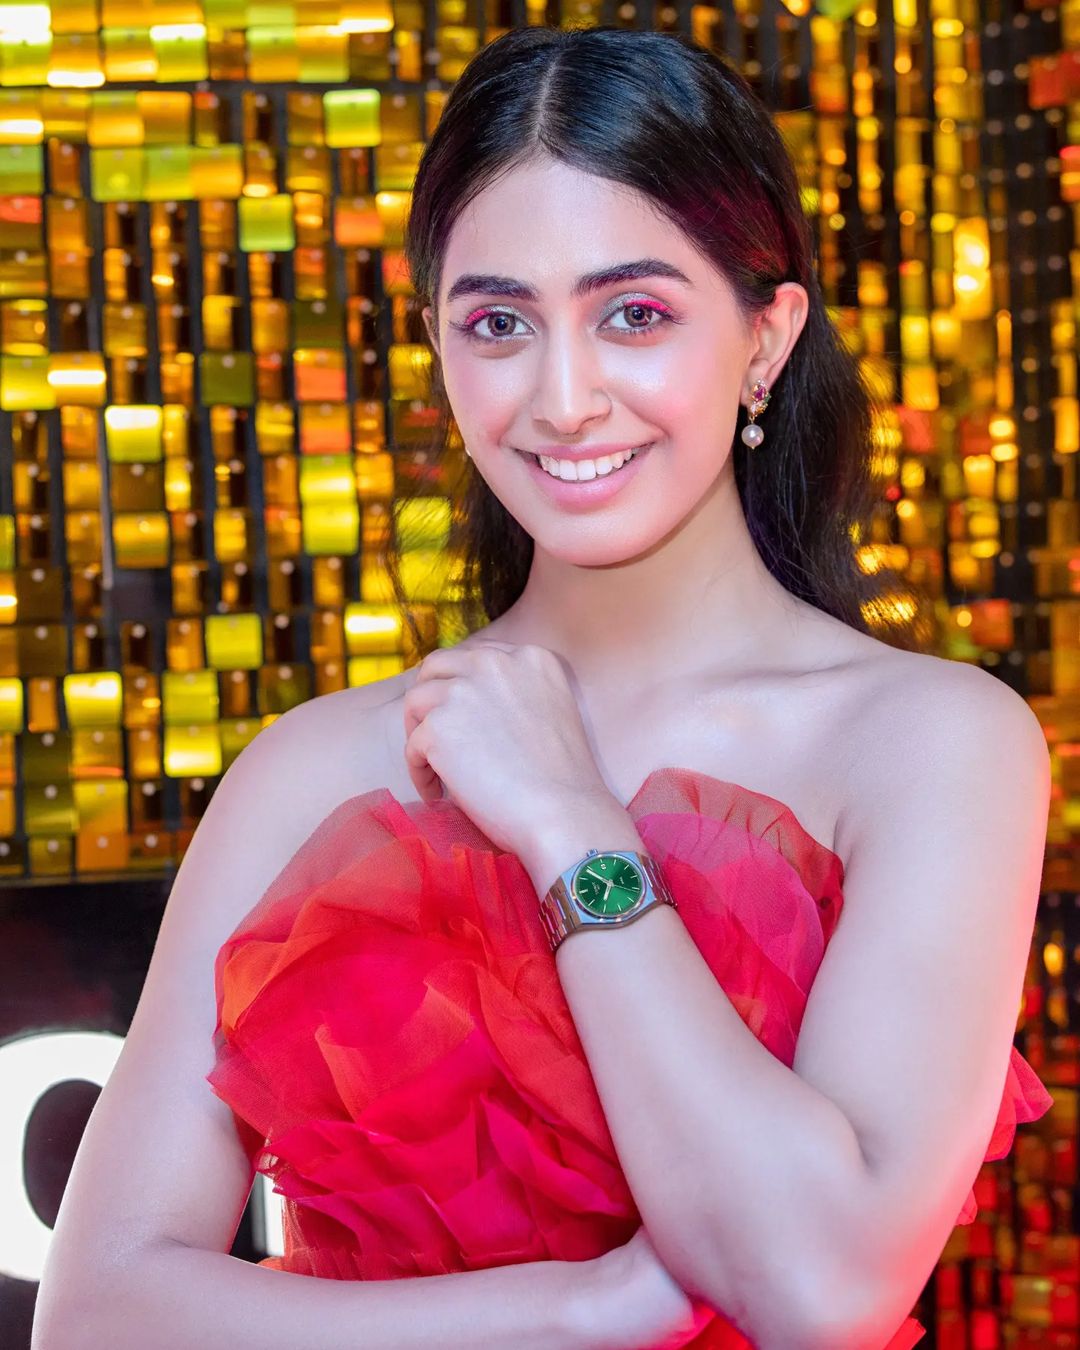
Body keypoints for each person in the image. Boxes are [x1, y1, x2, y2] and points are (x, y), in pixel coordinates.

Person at [34, 24, 1054, 1350]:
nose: (564, 399)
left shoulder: (934, 745)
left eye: (635, 314)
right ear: (441, 348)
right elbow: (97, 1313)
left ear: (766, 338)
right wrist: (581, 1308)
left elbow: (823, 1289)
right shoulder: (313, 770)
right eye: (500, 323)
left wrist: (571, 822)